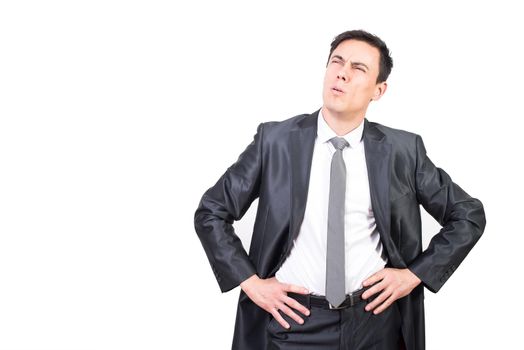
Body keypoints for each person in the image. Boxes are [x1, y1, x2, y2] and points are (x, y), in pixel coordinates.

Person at [194, 29, 486, 350]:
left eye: (358, 68)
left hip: (376, 323)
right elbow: (212, 211)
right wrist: (251, 283)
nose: (342, 74)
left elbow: (467, 215)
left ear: (379, 90)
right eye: (337, 62)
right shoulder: (275, 141)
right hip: (293, 321)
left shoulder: (403, 150)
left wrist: (413, 275)